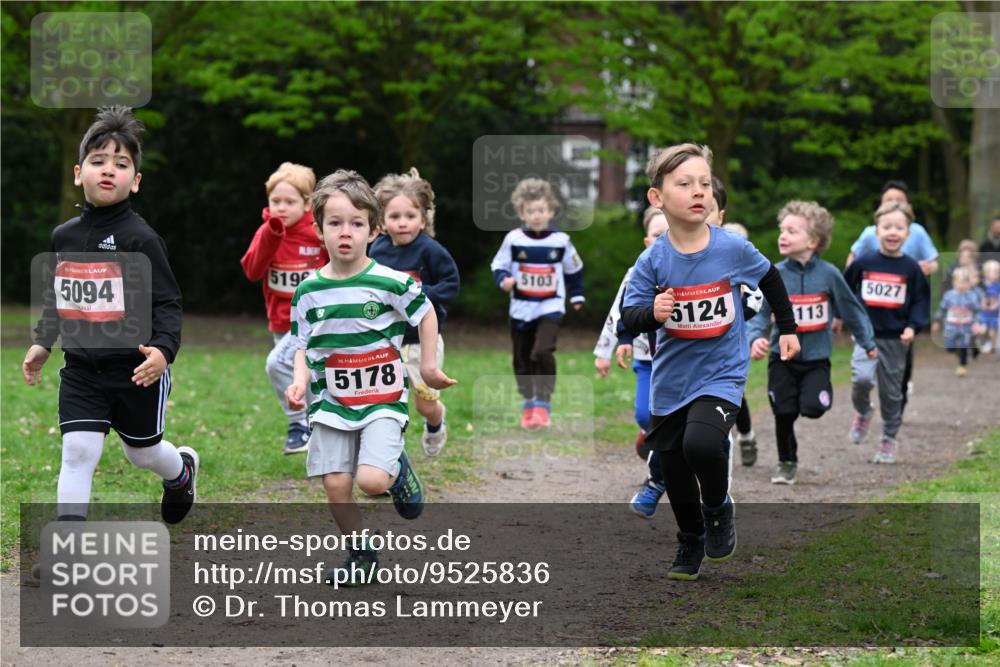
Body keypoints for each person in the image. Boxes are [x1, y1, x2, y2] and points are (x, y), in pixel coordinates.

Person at [621, 143, 800, 581]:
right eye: (684, 184)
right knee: (675, 468)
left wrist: (788, 327)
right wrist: (653, 314)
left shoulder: (732, 249)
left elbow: (770, 278)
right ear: (657, 198)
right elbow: (630, 314)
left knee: (700, 445)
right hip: (671, 379)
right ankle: (690, 539)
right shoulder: (652, 260)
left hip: (722, 371)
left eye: (704, 183)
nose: (698, 191)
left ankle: (718, 507)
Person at [22, 105, 198, 533]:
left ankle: (181, 473)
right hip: (82, 370)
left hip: (135, 372)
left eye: (121, 164)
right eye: (98, 161)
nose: (109, 170)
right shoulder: (64, 236)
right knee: (78, 452)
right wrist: (44, 342)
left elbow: (169, 302)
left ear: (135, 181)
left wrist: (163, 350)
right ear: (78, 173)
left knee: (142, 454)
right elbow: (58, 296)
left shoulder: (141, 238)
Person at [285, 169, 456, 585]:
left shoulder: (390, 282)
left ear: (372, 229)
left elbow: (427, 311)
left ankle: (395, 466)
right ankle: (360, 552)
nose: (346, 233)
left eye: (357, 224)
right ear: (319, 228)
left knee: (370, 481)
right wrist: (299, 381)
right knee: (336, 486)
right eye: (335, 223)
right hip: (331, 403)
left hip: (382, 398)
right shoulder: (308, 290)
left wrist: (429, 366)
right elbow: (305, 345)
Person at [748, 201, 876, 485]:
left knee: (813, 408)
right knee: (784, 412)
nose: (783, 236)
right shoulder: (774, 274)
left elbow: (851, 308)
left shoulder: (829, 274)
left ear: (813, 241)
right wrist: (755, 337)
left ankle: (819, 395)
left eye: (792, 231)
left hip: (816, 359)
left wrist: (867, 340)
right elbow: (759, 312)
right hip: (781, 358)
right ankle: (786, 462)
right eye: (782, 230)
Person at [370, 168, 459, 456]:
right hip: (387, 340)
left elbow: (451, 285)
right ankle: (387, 454)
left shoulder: (431, 251)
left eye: (410, 216)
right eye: (394, 217)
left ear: (423, 217)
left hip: (423, 341)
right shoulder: (376, 250)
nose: (403, 223)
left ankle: (436, 422)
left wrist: (416, 297)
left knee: (424, 404)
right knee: (387, 401)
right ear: (381, 220)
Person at [241, 162, 327, 454]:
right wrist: (271, 234)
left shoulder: (318, 232)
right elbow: (252, 271)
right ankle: (323, 428)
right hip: (281, 322)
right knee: (308, 378)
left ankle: (297, 425)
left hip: (315, 321)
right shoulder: (267, 231)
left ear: (307, 204)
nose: (281, 207)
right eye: (275, 201)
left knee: (276, 364)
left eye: (289, 202)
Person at [491, 178, 585, 429]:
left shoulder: (561, 241)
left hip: (550, 307)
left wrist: (577, 294)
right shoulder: (513, 240)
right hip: (521, 309)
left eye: (541, 210)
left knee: (542, 352)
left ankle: (543, 404)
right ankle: (529, 403)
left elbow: (575, 269)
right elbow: (498, 265)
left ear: (551, 211)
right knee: (521, 359)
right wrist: (504, 280)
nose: (536, 215)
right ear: (522, 213)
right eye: (530, 211)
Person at [594, 206, 669, 518]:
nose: (662, 239)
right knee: (643, 413)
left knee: (664, 419)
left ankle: (660, 471)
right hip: (645, 356)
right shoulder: (636, 272)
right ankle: (649, 434)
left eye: (667, 233)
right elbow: (619, 311)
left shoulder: (686, 268)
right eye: (656, 235)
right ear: (645, 240)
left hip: (678, 358)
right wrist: (605, 348)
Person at [844, 201, 930, 464]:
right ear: (876, 231)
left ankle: (888, 438)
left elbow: (920, 301)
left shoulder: (912, 268)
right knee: (861, 380)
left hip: (895, 339)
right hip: (866, 335)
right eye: (887, 227)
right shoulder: (864, 262)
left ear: (908, 233)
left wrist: (912, 326)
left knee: (892, 394)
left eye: (899, 227)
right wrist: (841, 316)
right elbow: (844, 291)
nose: (893, 232)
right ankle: (863, 411)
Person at [932, 266, 983, 376]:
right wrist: (936, 321)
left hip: (966, 327)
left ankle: (962, 366)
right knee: (949, 347)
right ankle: (957, 352)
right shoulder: (949, 296)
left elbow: (978, 311)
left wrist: (977, 323)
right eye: (959, 282)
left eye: (965, 283)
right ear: (953, 282)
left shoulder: (972, 296)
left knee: (964, 345)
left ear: (969, 284)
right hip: (951, 327)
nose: (961, 285)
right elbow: (942, 309)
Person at [979, 260, 1000, 356]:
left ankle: (992, 346)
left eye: (998, 271)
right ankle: (984, 342)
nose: (997, 273)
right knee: (982, 330)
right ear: (986, 273)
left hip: (995, 314)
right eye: (994, 271)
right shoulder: (982, 285)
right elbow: (978, 296)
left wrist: (997, 304)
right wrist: (981, 303)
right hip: (984, 313)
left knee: (992, 332)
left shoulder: (998, 286)